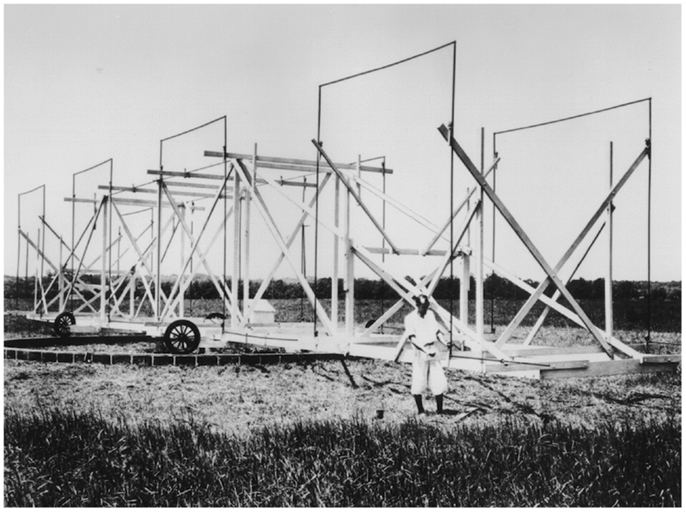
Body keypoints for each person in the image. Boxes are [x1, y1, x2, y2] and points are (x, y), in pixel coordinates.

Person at [404, 294, 448, 415]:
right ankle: (421, 411)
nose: (425, 309)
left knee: (438, 378)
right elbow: (412, 338)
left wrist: (444, 342)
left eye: (427, 306)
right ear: (417, 305)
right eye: (423, 307)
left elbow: (437, 331)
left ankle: (440, 411)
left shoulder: (430, 315)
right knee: (419, 379)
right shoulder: (410, 318)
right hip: (420, 351)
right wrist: (425, 350)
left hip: (433, 348)